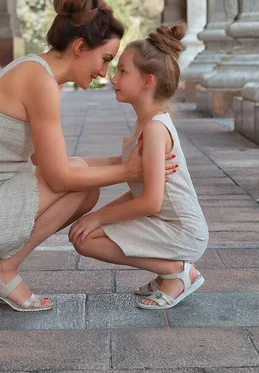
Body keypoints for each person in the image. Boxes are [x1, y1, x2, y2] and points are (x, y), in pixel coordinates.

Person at [0, 0, 177, 313]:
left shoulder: (37, 72)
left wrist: (126, 162)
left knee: (78, 173)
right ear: (79, 47)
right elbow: (59, 178)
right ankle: (1, 270)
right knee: (79, 188)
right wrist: (128, 172)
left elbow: (47, 163)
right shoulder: (40, 82)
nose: (105, 72)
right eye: (105, 59)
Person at [69, 22, 209, 310]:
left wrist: (98, 218)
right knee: (84, 233)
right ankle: (168, 271)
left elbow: (151, 202)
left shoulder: (156, 130)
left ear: (147, 81)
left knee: (87, 238)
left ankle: (177, 272)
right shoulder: (145, 125)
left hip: (181, 231)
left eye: (123, 71)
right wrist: (99, 215)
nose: (113, 77)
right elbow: (138, 193)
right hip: (165, 223)